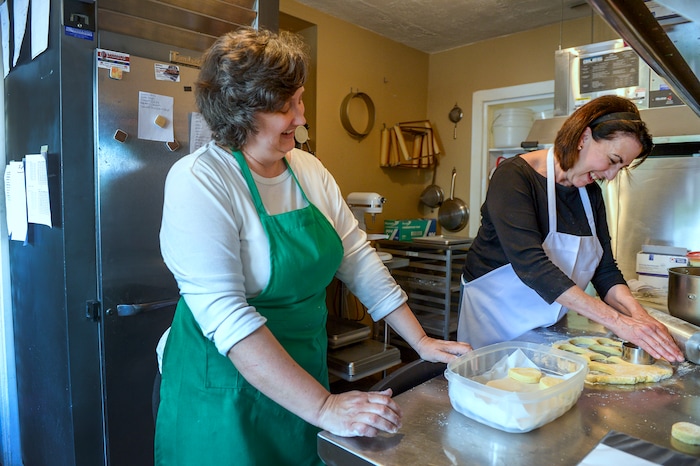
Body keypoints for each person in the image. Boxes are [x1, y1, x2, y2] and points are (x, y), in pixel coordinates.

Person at [155, 28, 471, 465]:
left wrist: (420, 341)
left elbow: (357, 258)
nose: (301, 117)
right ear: (243, 110)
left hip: (303, 373)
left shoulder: (308, 170)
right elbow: (228, 318)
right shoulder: (201, 180)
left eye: (299, 100)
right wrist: (324, 407)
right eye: (287, 106)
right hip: (224, 387)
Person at [457, 95, 684, 363]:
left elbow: (605, 270)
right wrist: (618, 322)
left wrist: (640, 317)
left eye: (620, 168)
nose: (611, 175)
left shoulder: (590, 194)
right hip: (494, 326)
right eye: (612, 160)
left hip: (546, 328)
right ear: (583, 138)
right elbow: (532, 265)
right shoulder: (514, 176)